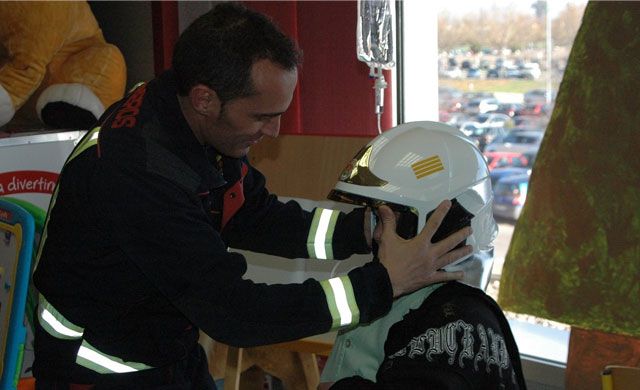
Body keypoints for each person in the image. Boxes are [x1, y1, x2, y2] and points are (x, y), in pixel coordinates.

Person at [31, 4, 470, 389]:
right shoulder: (139, 176)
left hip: (164, 344)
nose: (274, 132)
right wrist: (384, 284)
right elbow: (237, 313)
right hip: (101, 368)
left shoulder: (185, 115)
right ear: (206, 99)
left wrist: (369, 229)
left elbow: (254, 215)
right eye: (262, 116)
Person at [319, 121, 527, 389]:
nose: (378, 234)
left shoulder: (458, 323)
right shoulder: (394, 289)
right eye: (376, 216)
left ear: (443, 221)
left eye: (393, 219)